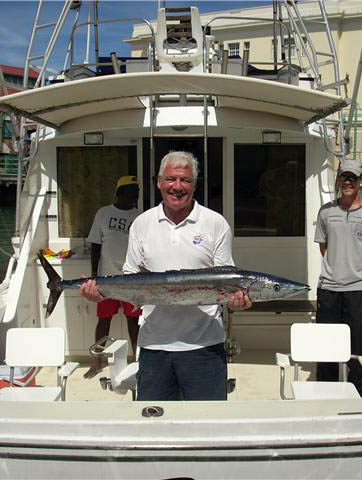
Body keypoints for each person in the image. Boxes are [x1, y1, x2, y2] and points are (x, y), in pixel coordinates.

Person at [80, 151, 251, 401]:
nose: (177, 187)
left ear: (195, 184)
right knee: (153, 423)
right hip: (153, 345)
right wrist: (101, 294)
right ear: (158, 182)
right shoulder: (141, 223)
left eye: (185, 180)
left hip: (205, 345)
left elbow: (225, 281)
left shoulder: (215, 223)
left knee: (208, 423)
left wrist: (237, 302)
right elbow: (130, 277)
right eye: (171, 179)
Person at [314, 160, 362, 397]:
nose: (347, 182)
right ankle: (325, 396)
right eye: (344, 177)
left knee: (357, 352)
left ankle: (358, 400)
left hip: (359, 290)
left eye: (352, 178)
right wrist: (338, 268)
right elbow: (324, 247)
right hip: (328, 288)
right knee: (326, 350)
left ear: (360, 181)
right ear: (338, 180)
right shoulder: (326, 211)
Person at [84, 175, 141, 379]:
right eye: (131, 193)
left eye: (137, 193)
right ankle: (96, 362)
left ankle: (137, 360)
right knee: (104, 321)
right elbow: (95, 245)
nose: (135, 197)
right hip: (107, 279)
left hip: (131, 281)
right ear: (119, 193)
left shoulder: (139, 216)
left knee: (134, 322)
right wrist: (94, 276)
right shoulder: (103, 213)